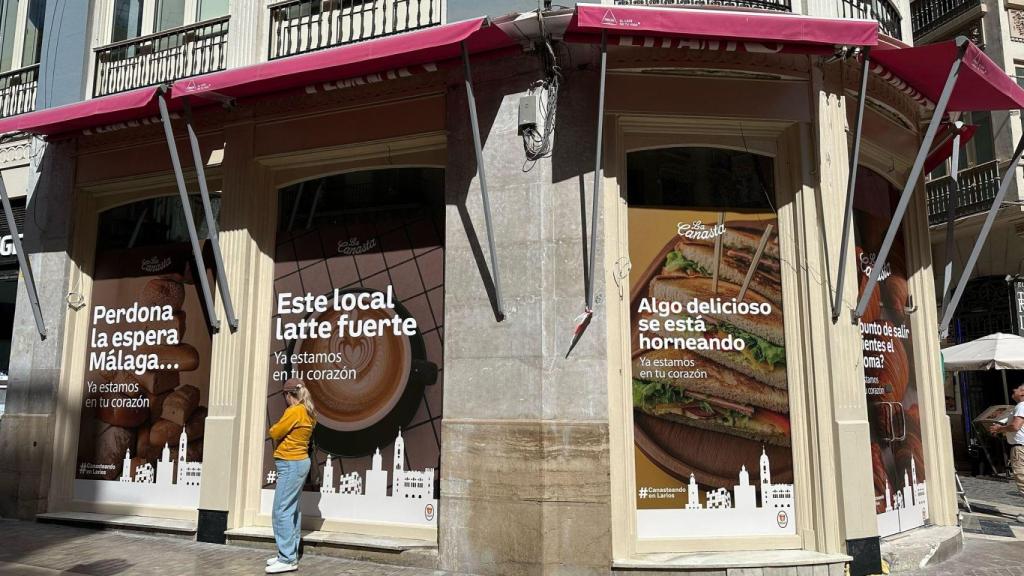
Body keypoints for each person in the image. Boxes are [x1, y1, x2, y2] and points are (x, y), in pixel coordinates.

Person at [265, 379, 316, 574]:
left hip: (290, 463)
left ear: (288, 394)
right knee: (292, 509)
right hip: (300, 462)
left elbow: (275, 431)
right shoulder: (308, 411)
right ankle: (288, 554)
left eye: (284, 395)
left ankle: (286, 559)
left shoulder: (294, 411)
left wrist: (274, 429)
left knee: (281, 510)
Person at [988, 383, 1024, 523]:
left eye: (1017, 388)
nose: (1013, 390)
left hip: (1020, 448)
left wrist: (999, 429)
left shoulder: (1021, 406)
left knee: (1022, 479)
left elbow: (1015, 426)